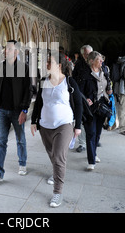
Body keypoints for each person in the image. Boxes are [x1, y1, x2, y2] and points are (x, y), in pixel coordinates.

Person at [31, 51, 83, 208]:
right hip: (45, 125)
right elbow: (39, 103)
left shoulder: (69, 82)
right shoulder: (44, 81)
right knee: (53, 155)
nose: (46, 64)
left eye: (49, 62)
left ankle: (57, 193)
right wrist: (34, 121)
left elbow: (79, 104)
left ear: (59, 65)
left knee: (59, 157)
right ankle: (56, 173)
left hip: (64, 124)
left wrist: (78, 126)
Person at [0, 40, 33, 183]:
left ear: (17, 52)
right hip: (3, 110)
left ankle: (22, 163)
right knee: (1, 141)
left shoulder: (23, 68)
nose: (7, 51)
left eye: (10, 49)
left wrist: (24, 110)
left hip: (17, 111)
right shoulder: (1, 66)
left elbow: (28, 90)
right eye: (6, 49)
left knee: (20, 139)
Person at [78, 51, 112, 170]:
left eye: (102, 59)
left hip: (102, 105)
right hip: (90, 107)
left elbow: (108, 84)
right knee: (91, 133)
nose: (101, 61)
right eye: (99, 59)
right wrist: (86, 99)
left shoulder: (105, 71)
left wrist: (109, 91)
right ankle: (91, 160)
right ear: (91, 61)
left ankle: (94, 153)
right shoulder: (85, 74)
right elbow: (79, 91)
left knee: (98, 132)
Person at [72, 45, 93, 153]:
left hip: (92, 96)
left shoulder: (95, 63)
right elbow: (74, 80)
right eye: (86, 53)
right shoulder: (79, 65)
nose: (88, 55)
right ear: (82, 54)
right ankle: (82, 143)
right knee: (80, 118)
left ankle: (92, 139)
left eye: (90, 53)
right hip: (81, 95)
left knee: (92, 120)